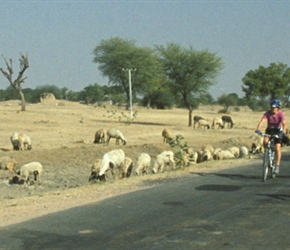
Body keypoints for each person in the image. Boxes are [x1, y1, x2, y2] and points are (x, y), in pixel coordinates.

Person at [255, 99, 286, 174]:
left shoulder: (280, 114)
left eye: (274, 108)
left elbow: (284, 125)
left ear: (278, 108)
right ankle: (267, 154)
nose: (273, 109)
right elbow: (262, 121)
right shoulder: (267, 113)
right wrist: (258, 129)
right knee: (265, 141)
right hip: (269, 130)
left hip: (278, 130)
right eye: (272, 107)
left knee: (277, 148)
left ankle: (277, 165)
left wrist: (282, 132)